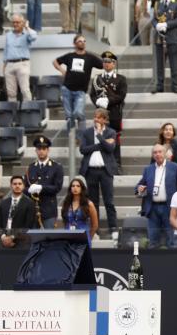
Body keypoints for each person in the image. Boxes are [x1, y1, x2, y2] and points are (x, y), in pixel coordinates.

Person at [79, 109, 118, 238]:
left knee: (109, 201)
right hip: (90, 171)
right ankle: (95, 229)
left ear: (105, 120)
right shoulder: (87, 132)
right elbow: (83, 150)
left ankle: (113, 227)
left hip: (105, 171)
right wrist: (101, 144)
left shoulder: (111, 132)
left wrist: (100, 137)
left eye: (100, 118)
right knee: (92, 201)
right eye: (95, 117)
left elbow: (110, 148)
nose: (97, 120)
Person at [53, 35, 102, 133]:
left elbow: (102, 65)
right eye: (80, 41)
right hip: (67, 89)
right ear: (75, 43)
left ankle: (81, 137)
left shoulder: (90, 57)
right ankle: (71, 137)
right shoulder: (70, 56)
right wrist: (62, 70)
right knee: (69, 116)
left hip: (80, 91)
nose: (82, 42)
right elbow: (55, 61)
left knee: (78, 113)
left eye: (84, 41)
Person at [136, 144, 177, 248]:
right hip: (152, 208)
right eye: (155, 152)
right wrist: (140, 189)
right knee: (153, 241)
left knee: (171, 240)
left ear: (165, 153)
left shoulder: (175, 167)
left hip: (169, 208)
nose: (157, 154)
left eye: (159, 152)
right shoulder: (148, 169)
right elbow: (139, 186)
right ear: (153, 155)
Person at [89, 51, 127, 173]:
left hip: (115, 114)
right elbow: (92, 94)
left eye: (109, 62)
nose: (106, 64)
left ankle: (116, 164)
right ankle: (104, 164)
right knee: (101, 138)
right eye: (104, 61)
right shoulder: (97, 79)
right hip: (101, 114)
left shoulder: (121, 79)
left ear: (114, 64)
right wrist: (98, 102)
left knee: (114, 139)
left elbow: (121, 95)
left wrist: (108, 101)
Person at [24, 136, 65, 230]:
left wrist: (41, 188)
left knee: (48, 239)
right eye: (39, 149)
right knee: (33, 240)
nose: (41, 151)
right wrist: (29, 190)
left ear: (48, 150)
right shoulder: (31, 167)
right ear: (36, 150)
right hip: (32, 209)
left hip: (48, 210)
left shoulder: (56, 167)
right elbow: (24, 187)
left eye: (44, 148)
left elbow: (57, 187)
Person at [151, 0, 177, 94]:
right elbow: (154, 18)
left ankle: (175, 86)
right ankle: (159, 85)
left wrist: (166, 25)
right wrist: (157, 25)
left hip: (173, 37)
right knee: (160, 64)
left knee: (174, 63)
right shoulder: (158, 3)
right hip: (159, 37)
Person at [0, 175, 36, 248]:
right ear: (11, 186)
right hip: (4, 243)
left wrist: (12, 237)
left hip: (21, 243)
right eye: (15, 184)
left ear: (23, 186)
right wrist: (3, 237)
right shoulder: (3, 203)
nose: (17, 186)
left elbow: (28, 225)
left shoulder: (30, 203)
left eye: (20, 184)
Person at [3, 14, 37, 102]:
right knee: (11, 93)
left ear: (22, 23)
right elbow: (6, 50)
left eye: (17, 22)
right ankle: (12, 114)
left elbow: (34, 37)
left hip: (22, 64)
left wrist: (27, 27)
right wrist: (4, 66)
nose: (15, 24)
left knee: (25, 90)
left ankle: (28, 113)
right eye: (13, 22)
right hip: (9, 64)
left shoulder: (27, 34)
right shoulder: (8, 35)